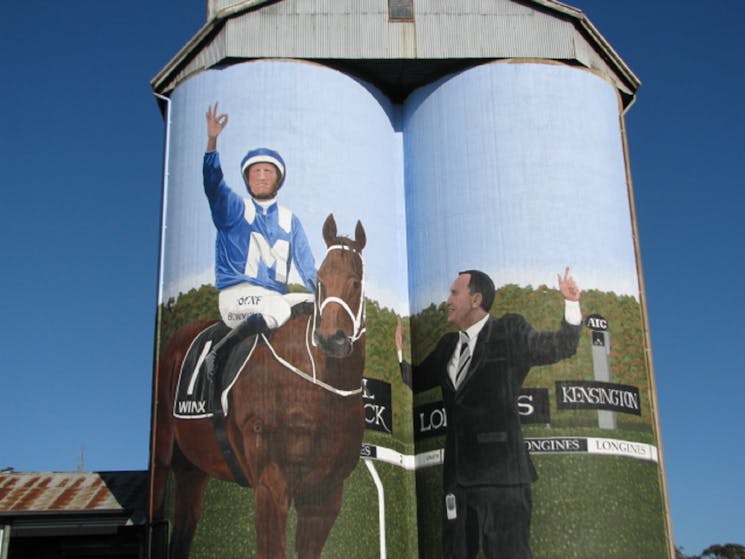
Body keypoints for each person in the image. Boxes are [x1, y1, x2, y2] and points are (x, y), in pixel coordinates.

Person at [396, 268, 582, 559]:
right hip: (457, 483)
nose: (447, 300)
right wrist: (398, 352)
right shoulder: (448, 346)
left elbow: (558, 346)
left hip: (503, 480)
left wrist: (571, 304)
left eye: (454, 293)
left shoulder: (509, 331)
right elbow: (418, 379)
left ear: (476, 299)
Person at [202, 102, 317, 398]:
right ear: (247, 178)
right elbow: (214, 187)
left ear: (278, 178)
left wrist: (324, 296)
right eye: (255, 172)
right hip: (237, 296)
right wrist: (212, 143)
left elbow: (307, 267)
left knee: (313, 305)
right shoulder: (235, 209)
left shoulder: (290, 220)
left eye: (268, 171)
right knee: (278, 307)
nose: (261, 176)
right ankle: (219, 352)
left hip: (273, 298)